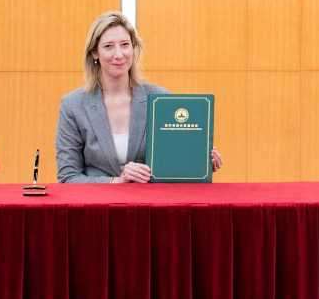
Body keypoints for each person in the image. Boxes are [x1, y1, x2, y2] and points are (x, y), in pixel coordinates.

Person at [56, 11, 223, 183]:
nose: (119, 54)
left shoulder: (160, 99)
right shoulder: (72, 105)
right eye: (108, 46)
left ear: (133, 48)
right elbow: (68, 177)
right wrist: (116, 181)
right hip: (97, 200)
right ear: (94, 53)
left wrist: (199, 163)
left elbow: (172, 163)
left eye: (125, 44)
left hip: (148, 198)